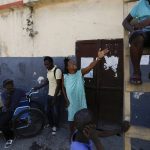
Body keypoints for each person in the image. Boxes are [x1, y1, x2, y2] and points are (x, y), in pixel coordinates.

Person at [62, 49, 109, 138]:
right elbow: (62, 88)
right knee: (71, 121)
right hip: (71, 103)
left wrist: (98, 58)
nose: (74, 63)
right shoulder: (65, 77)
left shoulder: (80, 73)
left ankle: (83, 135)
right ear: (68, 67)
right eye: (71, 63)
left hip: (81, 102)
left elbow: (90, 66)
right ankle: (72, 135)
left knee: (83, 120)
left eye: (74, 62)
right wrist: (66, 100)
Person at [122, 0, 150, 84]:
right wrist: (133, 30)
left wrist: (146, 22)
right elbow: (125, 22)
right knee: (137, 37)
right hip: (143, 34)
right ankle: (137, 72)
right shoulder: (140, 4)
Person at [34, 56, 62, 135]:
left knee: (55, 112)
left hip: (56, 95)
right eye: (45, 64)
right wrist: (38, 87)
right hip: (49, 94)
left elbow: (58, 85)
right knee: (47, 110)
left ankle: (55, 126)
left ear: (51, 63)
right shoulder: (48, 70)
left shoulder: (57, 71)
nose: (46, 66)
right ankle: (51, 123)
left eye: (47, 64)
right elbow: (47, 81)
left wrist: (55, 97)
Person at [0, 79, 26, 149]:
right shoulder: (3, 94)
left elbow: (26, 94)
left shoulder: (18, 91)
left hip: (12, 111)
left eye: (11, 84)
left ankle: (10, 137)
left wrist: (9, 95)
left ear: (13, 85)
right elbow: (5, 105)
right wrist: (8, 94)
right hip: (4, 110)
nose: (9, 86)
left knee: (1, 124)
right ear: (5, 87)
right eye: (7, 85)